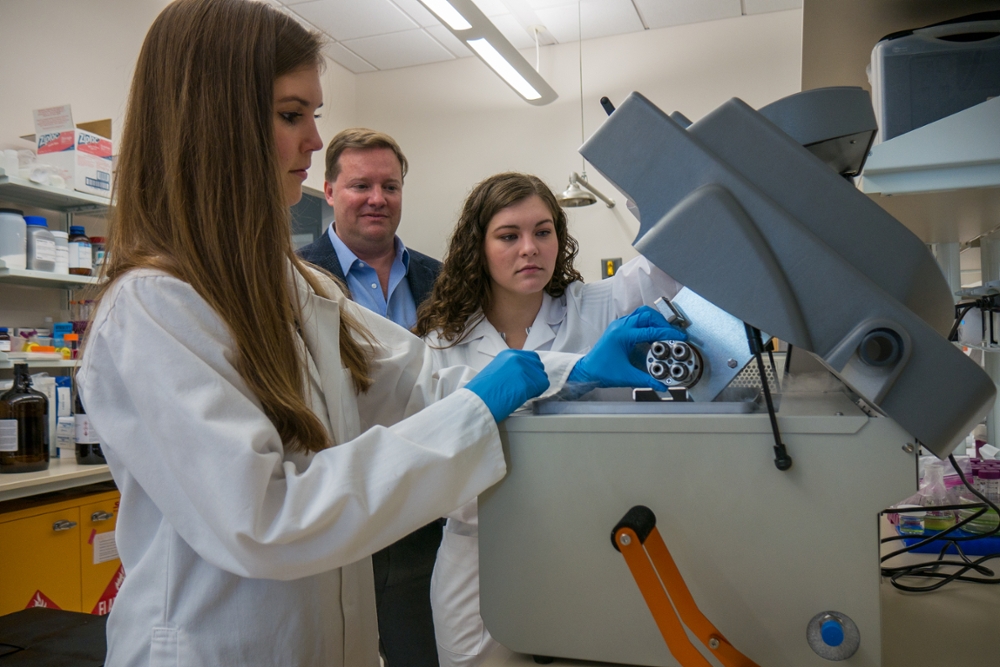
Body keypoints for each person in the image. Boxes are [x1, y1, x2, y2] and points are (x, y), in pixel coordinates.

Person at [76, 3, 683, 666]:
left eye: (313, 113)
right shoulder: (154, 307)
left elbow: (422, 378)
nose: (315, 139)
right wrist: (480, 407)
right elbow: (265, 518)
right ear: (215, 126)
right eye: (291, 114)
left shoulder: (295, 286)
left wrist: (570, 372)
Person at [414, 172, 684, 667]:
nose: (530, 249)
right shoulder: (443, 341)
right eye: (508, 235)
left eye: (543, 231)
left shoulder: (599, 306)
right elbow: (440, 450)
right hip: (478, 554)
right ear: (478, 246)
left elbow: (675, 256)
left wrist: (636, 168)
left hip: (588, 542)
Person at [297, 128, 444, 666]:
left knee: (424, 649)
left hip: (427, 503)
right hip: (340, 495)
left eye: (390, 186)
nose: (377, 198)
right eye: (361, 185)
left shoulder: (442, 279)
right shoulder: (296, 277)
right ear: (330, 191)